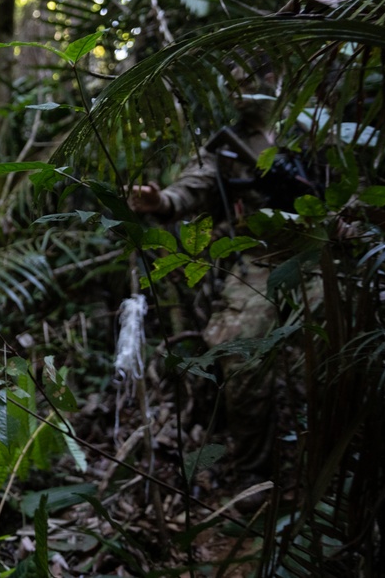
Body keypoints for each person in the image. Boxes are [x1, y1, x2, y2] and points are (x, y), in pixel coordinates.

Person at [129, 61, 321, 480]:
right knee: (239, 353)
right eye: (234, 81)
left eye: (252, 77)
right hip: (262, 258)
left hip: (327, 250)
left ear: (274, 76)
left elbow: (355, 185)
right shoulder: (229, 145)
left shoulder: (312, 125)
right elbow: (194, 185)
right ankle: (258, 476)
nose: (243, 88)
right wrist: (160, 202)